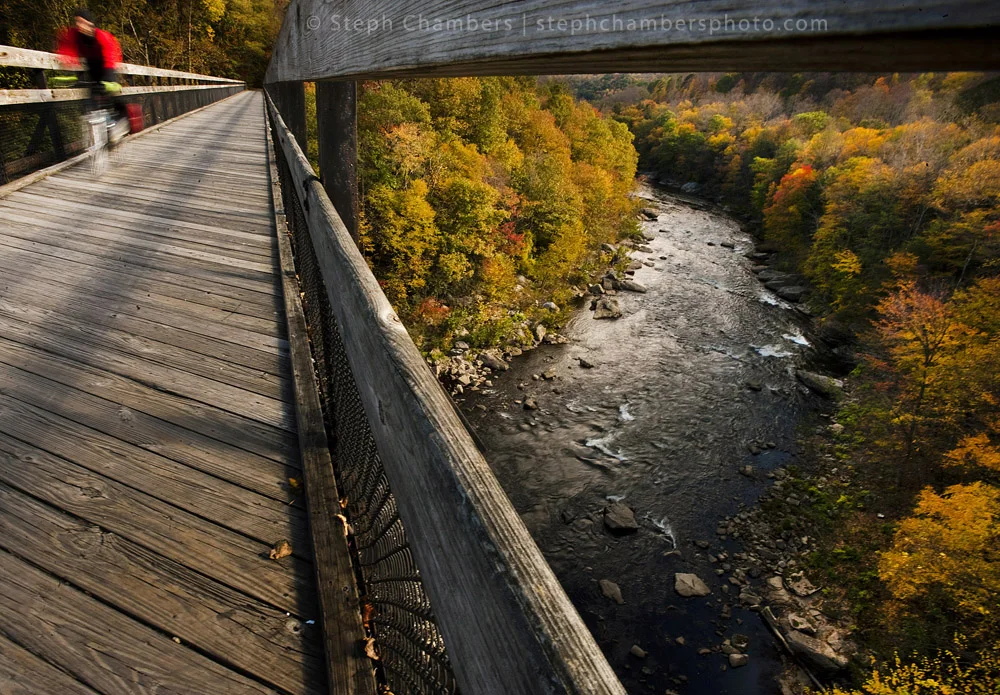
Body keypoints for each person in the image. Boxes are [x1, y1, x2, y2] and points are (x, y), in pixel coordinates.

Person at [56, 8, 130, 144]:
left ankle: (121, 122)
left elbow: (111, 56)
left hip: (107, 63)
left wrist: (108, 80)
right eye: (77, 22)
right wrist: (68, 66)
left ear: (90, 24)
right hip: (91, 64)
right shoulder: (74, 35)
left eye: (82, 22)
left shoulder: (102, 36)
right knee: (91, 98)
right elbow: (66, 48)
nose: (79, 25)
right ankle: (96, 138)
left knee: (109, 92)